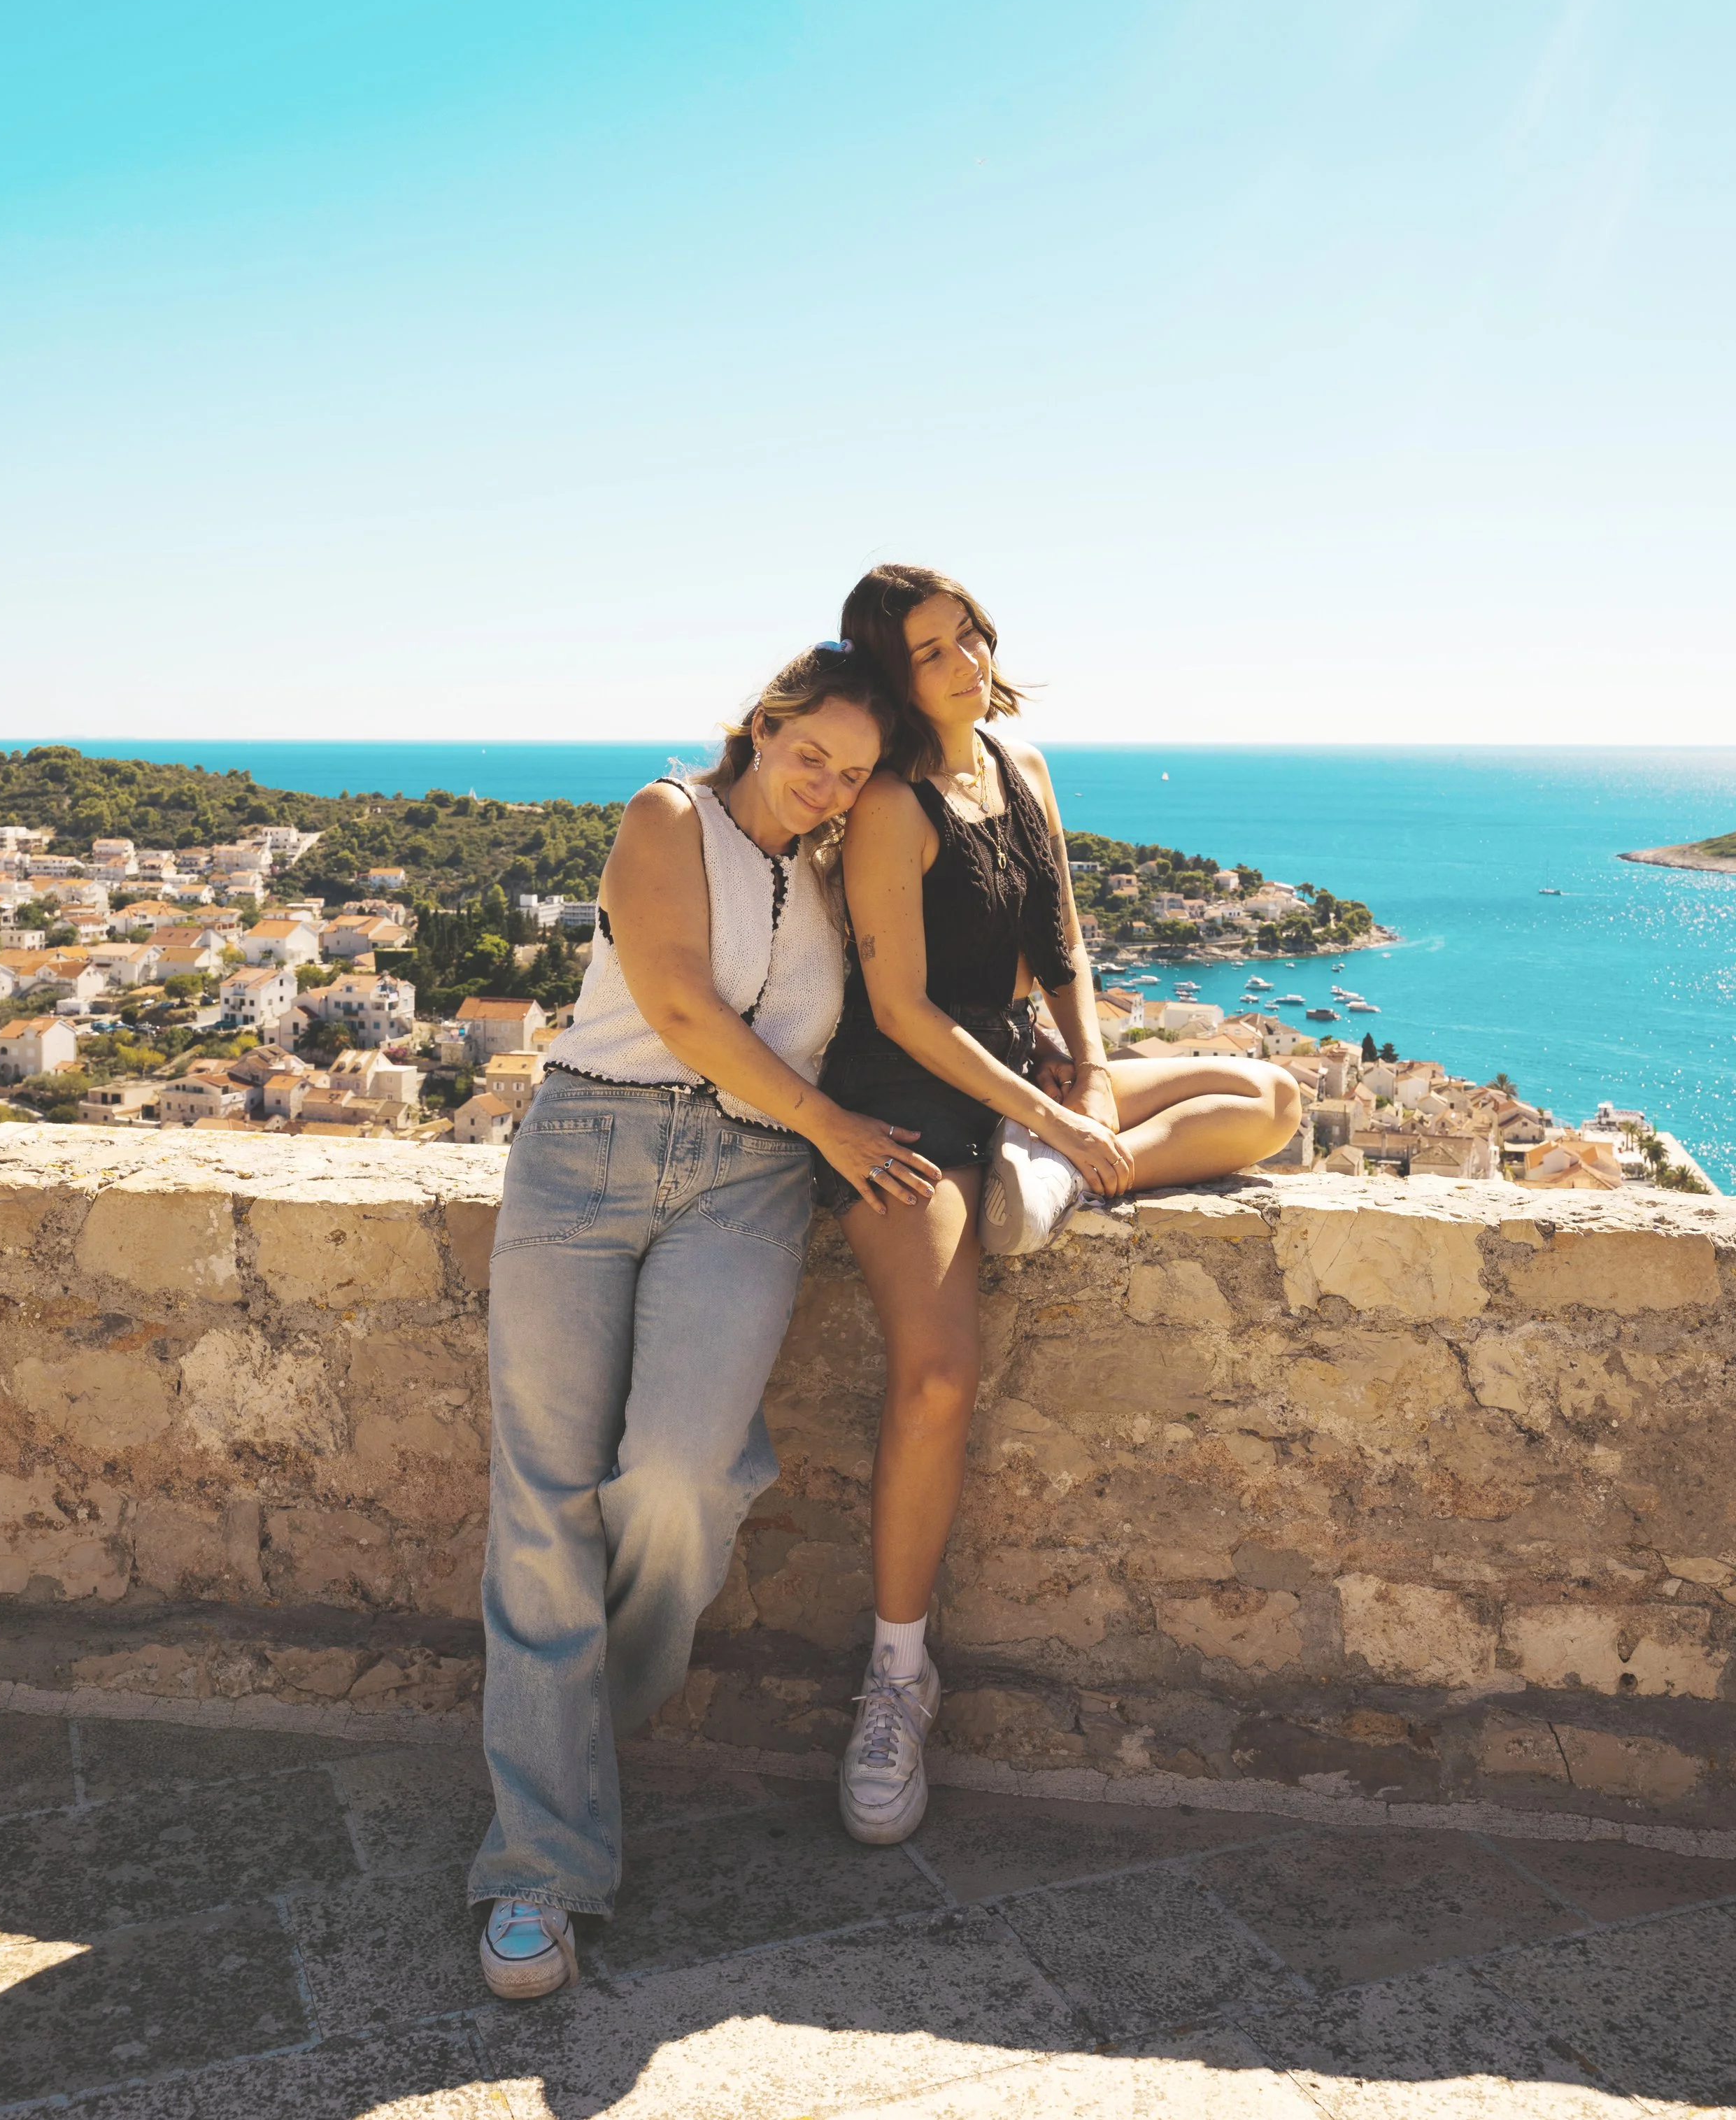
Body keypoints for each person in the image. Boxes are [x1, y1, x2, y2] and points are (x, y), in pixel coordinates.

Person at [468, 641, 939, 1999]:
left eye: (852, 775)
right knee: (543, 1504)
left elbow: (910, 990)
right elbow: (673, 1002)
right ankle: (535, 1871)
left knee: (678, 1478)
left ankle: (570, 1734)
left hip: (745, 1177)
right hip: (586, 1154)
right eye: (812, 756)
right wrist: (832, 1127)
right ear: (760, 725)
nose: (827, 788)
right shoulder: (667, 816)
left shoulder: (835, 869)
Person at [818, 563, 1302, 1844]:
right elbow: (904, 1010)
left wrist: (1083, 1077)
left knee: (1271, 1099)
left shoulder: (1022, 767)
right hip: (910, 1100)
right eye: (931, 651)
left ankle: (1054, 1185)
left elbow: (1069, 940)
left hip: (1026, 1080)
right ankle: (897, 1682)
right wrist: (1049, 1118)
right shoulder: (888, 806)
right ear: (891, 670)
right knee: (934, 1377)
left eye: (968, 633)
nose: (965, 660)